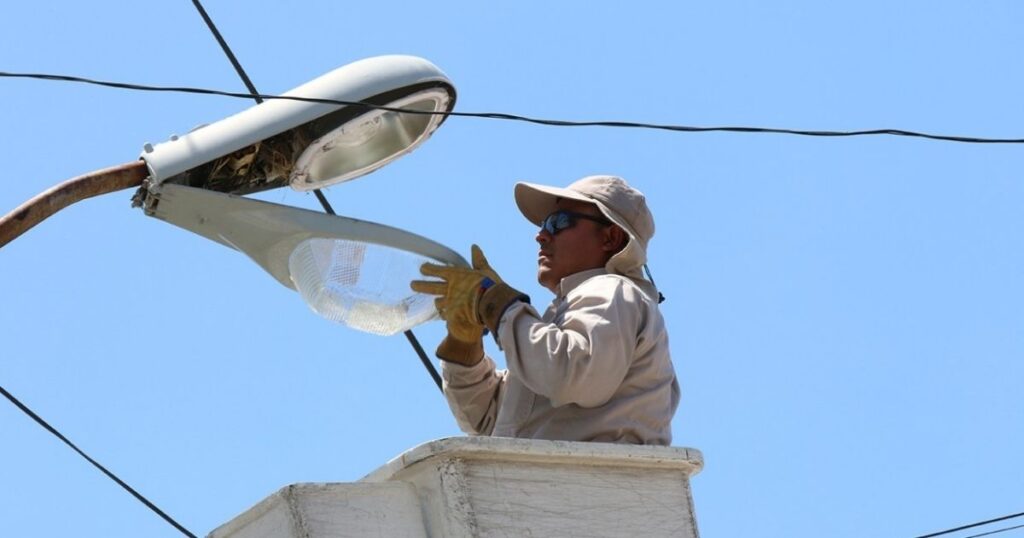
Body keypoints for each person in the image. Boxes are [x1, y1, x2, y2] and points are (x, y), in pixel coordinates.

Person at [411, 175, 679, 445]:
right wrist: (464, 345)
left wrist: (499, 306)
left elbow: (572, 374)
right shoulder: (574, 316)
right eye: (544, 224)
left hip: (587, 484)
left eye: (559, 222)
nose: (541, 235)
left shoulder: (613, 291)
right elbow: (490, 419)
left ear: (610, 237)